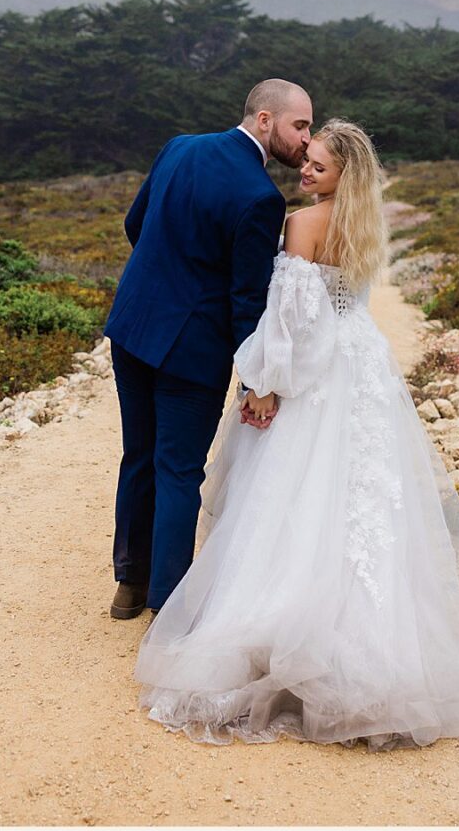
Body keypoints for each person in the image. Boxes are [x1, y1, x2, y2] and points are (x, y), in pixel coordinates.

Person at [132, 119, 459, 749]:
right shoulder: (365, 226)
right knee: (363, 500)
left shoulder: (301, 224)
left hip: (319, 373)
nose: (305, 170)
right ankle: (375, 649)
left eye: (319, 166)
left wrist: (264, 382)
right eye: (307, 160)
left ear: (343, 174)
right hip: (361, 368)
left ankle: (279, 629)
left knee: (296, 495)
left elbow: (291, 318)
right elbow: (343, 308)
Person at [102, 79, 313, 620]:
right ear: (265, 120)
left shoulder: (180, 146)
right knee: (178, 470)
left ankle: (130, 583)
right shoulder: (262, 197)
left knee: (140, 455)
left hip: (132, 326)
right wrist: (255, 380)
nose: (306, 140)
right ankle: (166, 605)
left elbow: (135, 225)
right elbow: (247, 300)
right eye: (300, 125)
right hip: (190, 348)